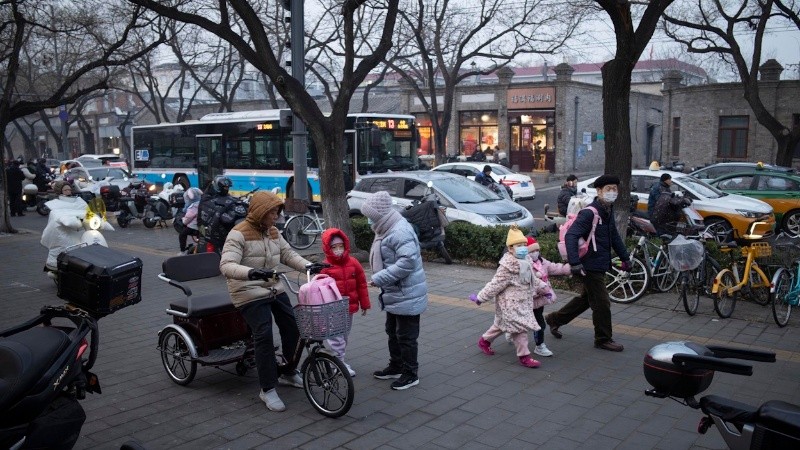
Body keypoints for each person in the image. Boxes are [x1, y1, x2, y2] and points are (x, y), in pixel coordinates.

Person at [219, 190, 312, 412]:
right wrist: (251, 273)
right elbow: (226, 265)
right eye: (272, 212)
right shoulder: (238, 233)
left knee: (293, 327)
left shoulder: (272, 232)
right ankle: (267, 389)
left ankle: (288, 372)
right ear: (261, 212)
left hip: (272, 287)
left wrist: (309, 266)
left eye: (277, 212)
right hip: (247, 290)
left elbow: (288, 254)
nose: (276, 217)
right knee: (264, 336)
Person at [545, 174, 632, 352]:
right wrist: (575, 263)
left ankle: (555, 319)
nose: (612, 192)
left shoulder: (608, 209)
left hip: (599, 263)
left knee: (586, 299)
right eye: (608, 189)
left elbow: (613, 235)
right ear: (599, 191)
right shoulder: (589, 212)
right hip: (588, 265)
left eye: (615, 189)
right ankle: (603, 339)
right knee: (602, 303)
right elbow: (571, 235)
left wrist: (625, 257)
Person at [361, 191, 428, 391]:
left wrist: (379, 278)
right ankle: (396, 366)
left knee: (406, 336)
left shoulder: (399, 231)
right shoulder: (384, 228)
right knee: (393, 331)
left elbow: (407, 263)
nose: (369, 220)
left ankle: (410, 374)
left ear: (380, 214)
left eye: (371, 215)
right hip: (395, 291)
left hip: (406, 293)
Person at [470, 226, 547, 368]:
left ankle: (484, 341)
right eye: (519, 246)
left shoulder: (527, 261)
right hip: (510, 305)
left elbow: (532, 279)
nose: (523, 248)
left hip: (523, 302)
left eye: (524, 245)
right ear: (510, 248)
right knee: (520, 329)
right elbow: (495, 285)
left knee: (501, 325)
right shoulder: (507, 267)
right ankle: (524, 356)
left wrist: (543, 287)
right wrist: (480, 298)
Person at [320, 228, 371, 377]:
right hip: (333, 308)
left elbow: (361, 284)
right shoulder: (325, 267)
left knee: (344, 336)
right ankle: (338, 363)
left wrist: (365, 304)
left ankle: (336, 360)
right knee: (337, 337)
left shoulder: (353, 262)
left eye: (340, 246)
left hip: (349, 307)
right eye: (334, 247)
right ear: (327, 249)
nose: (338, 250)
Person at [527, 237, 571, 357]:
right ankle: (512, 332)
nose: (534, 253)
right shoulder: (523, 266)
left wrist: (570, 268)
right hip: (526, 300)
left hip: (538, 301)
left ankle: (539, 345)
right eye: (531, 251)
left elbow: (556, 268)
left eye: (536, 250)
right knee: (526, 323)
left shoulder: (542, 263)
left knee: (538, 323)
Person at [198, 176, 238, 250]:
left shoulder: (224, 195)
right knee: (209, 245)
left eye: (228, 188)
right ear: (218, 187)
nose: (227, 190)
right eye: (225, 188)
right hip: (203, 225)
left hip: (217, 224)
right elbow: (214, 208)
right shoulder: (207, 197)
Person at [178, 187, 203, 254]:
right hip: (201, 227)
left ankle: (182, 250)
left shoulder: (193, 206)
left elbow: (188, 219)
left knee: (182, 235)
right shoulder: (202, 204)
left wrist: (183, 220)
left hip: (193, 227)